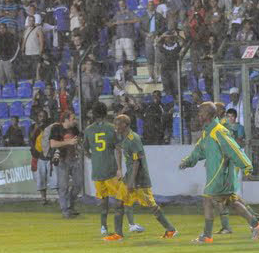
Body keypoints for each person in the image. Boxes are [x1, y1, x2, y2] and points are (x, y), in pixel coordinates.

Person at [179, 102, 259, 244]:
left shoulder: (219, 131)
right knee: (232, 202)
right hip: (216, 175)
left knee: (208, 199)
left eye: (201, 112)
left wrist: (246, 166)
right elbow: (199, 150)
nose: (198, 115)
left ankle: (207, 235)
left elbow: (234, 149)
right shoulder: (207, 132)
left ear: (209, 114)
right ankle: (256, 225)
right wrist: (187, 161)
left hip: (221, 175)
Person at [115, 113, 178, 239]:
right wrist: (122, 172)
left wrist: (132, 181)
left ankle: (171, 229)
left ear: (125, 125)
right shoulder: (124, 139)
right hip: (129, 177)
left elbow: (137, 162)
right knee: (119, 203)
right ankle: (118, 234)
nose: (115, 127)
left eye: (117, 124)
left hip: (140, 180)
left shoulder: (134, 139)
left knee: (152, 206)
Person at [83, 102, 125, 238]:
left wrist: (93, 157)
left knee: (103, 201)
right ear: (105, 113)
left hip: (97, 171)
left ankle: (103, 227)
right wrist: (119, 168)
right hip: (110, 170)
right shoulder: (111, 128)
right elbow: (118, 149)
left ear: (94, 114)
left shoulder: (88, 130)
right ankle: (119, 230)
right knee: (120, 200)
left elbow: (85, 150)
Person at [50, 111, 82, 219]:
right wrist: (68, 142)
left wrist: (79, 143)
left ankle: (70, 206)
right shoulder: (56, 128)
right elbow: (53, 144)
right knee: (63, 186)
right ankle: (65, 210)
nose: (75, 121)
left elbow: (79, 140)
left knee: (78, 184)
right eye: (73, 119)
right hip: (62, 160)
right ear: (66, 119)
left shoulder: (74, 129)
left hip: (74, 159)